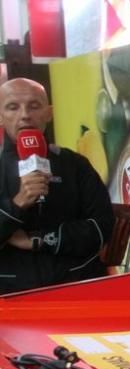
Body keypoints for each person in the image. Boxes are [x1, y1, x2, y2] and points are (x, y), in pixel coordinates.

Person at [0, 78, 114, 293]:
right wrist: (17, 204)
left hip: (77, 281)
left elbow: (102, 227)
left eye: (34, 106)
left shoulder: (75, 164)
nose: (25, 114)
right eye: (12, 107)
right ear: (0, 116)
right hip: (10, 290)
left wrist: (41, 240)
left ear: (49, 113)